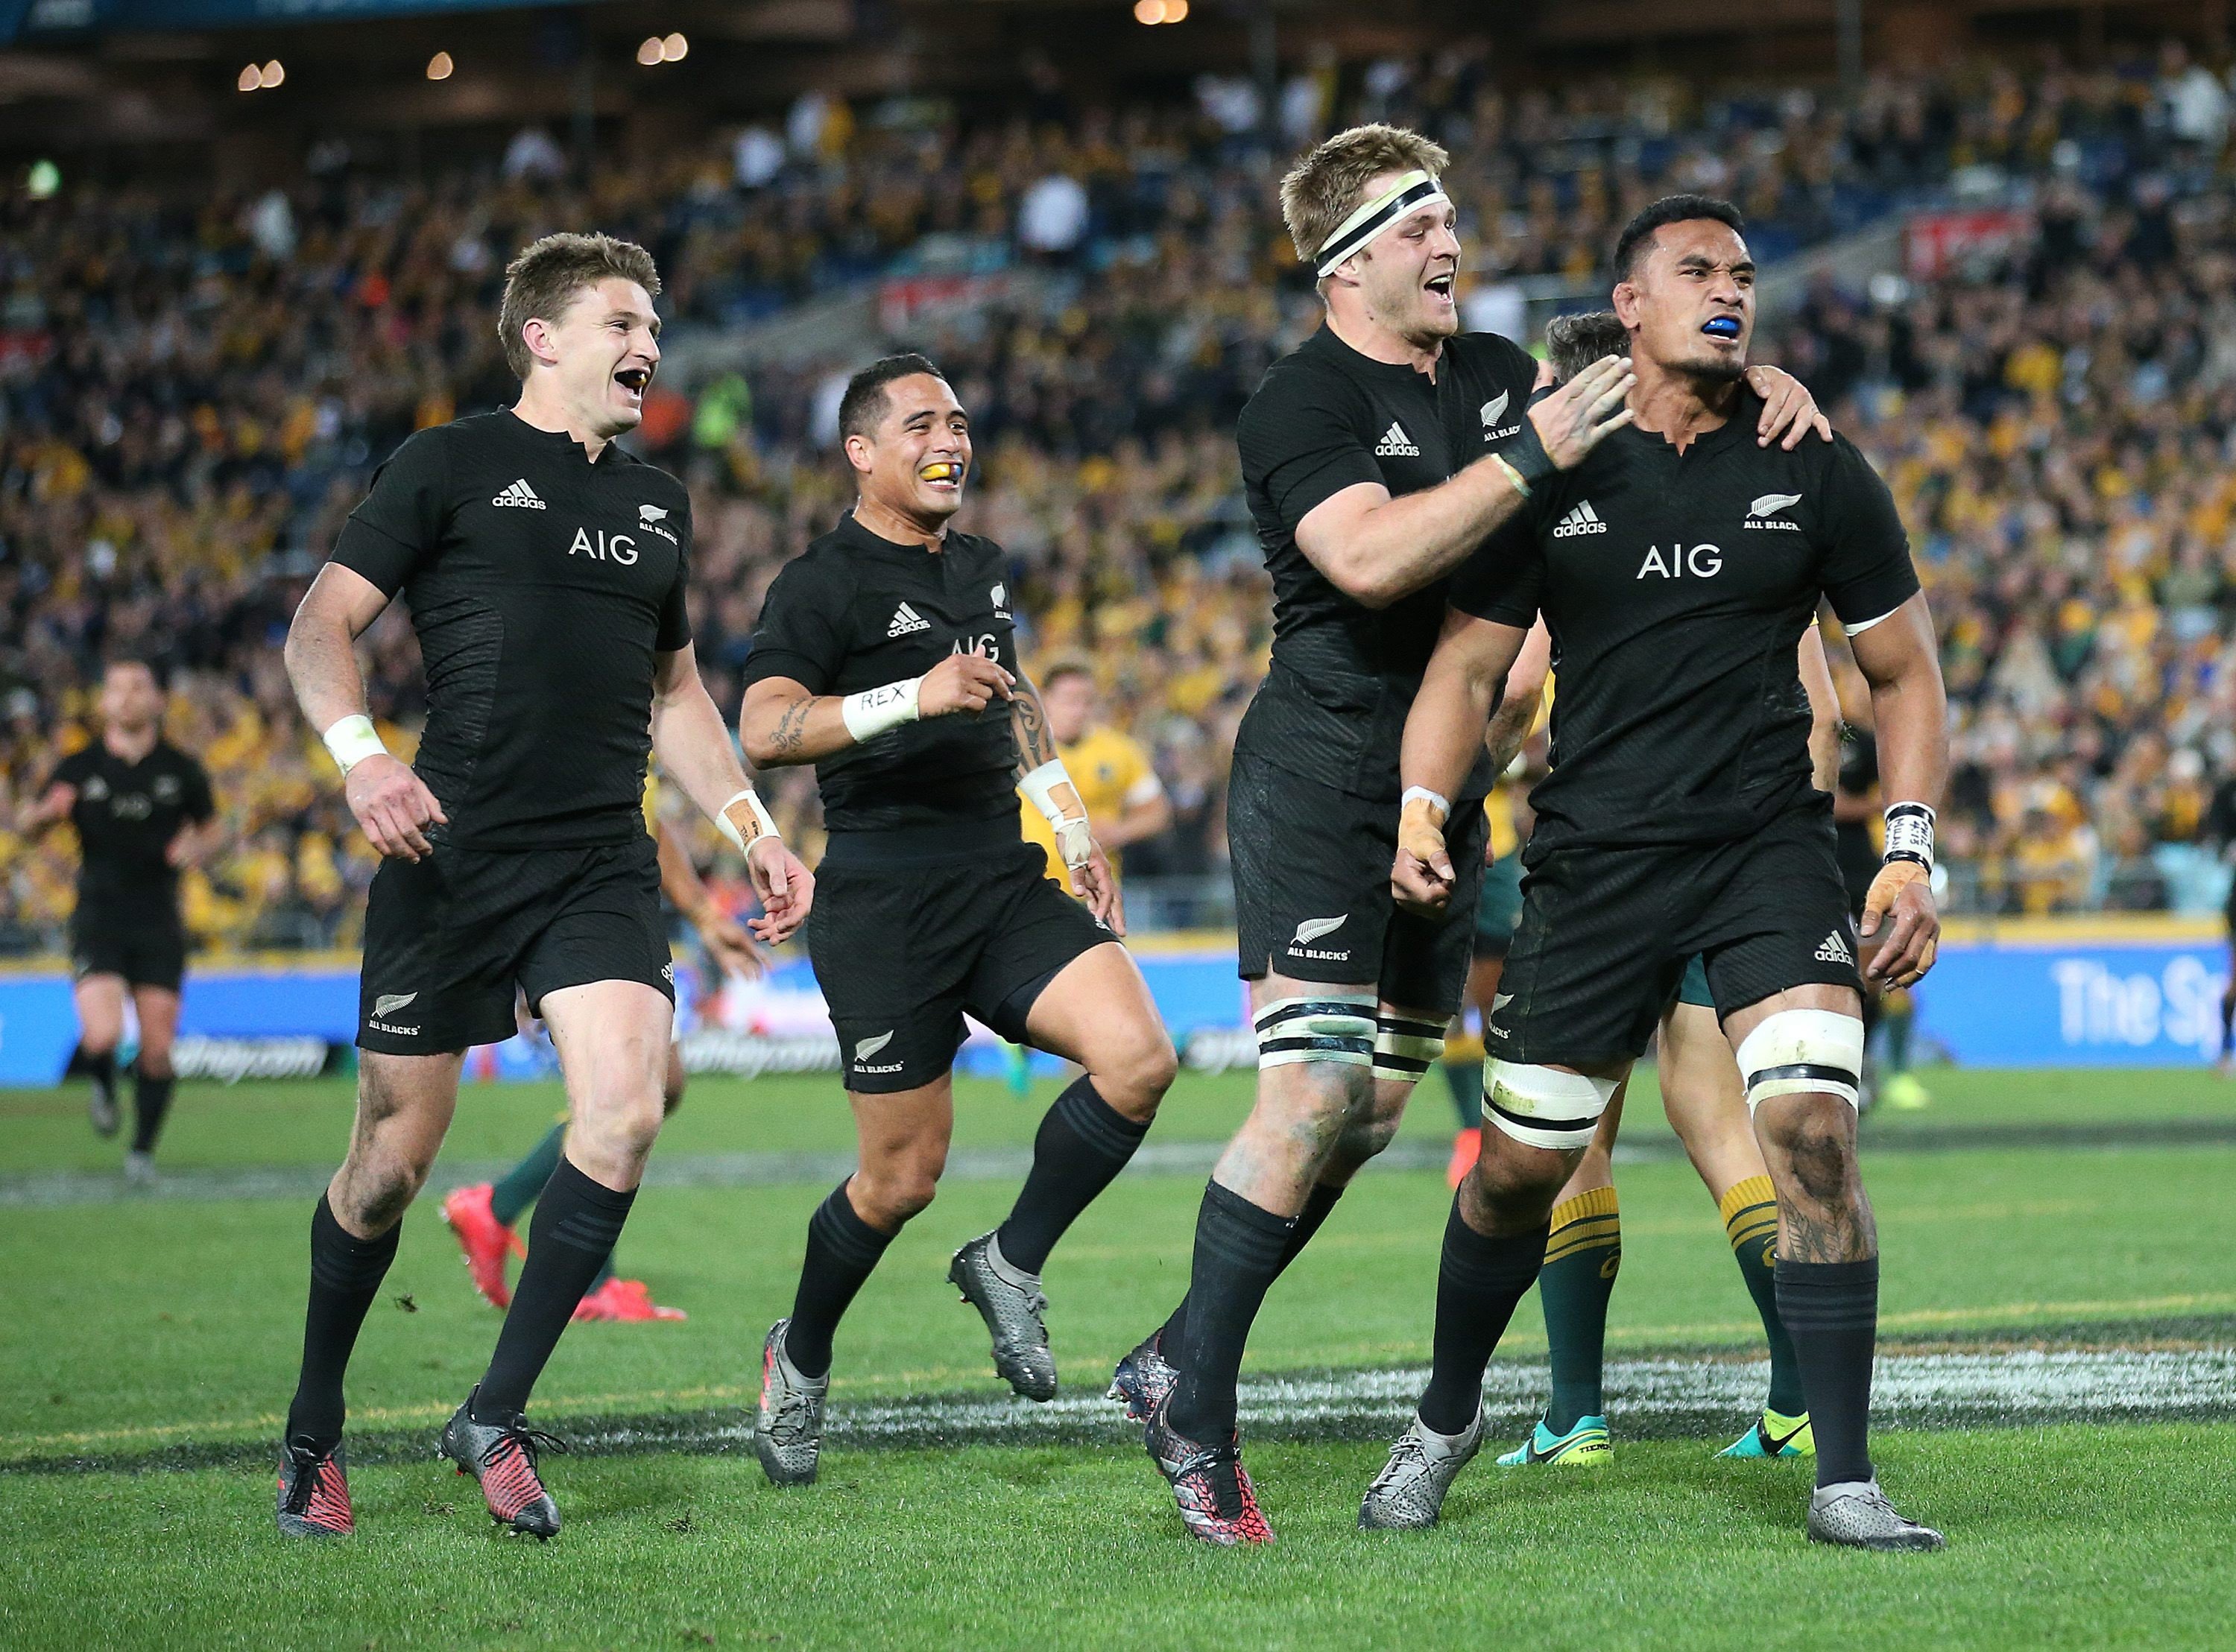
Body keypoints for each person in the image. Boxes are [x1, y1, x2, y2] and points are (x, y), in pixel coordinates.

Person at [1111, 124, 1828, 1548]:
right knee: (1311, 1097)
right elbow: (1371, 557)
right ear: (1345, 261)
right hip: (1323, 774)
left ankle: (1176, 1346)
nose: (1452, 244)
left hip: (1451, 783)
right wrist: (1534, 452)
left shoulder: (1501, 372)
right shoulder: (1297, 404)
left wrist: (1762, 384)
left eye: (1453, 217)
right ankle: (1197, 1395)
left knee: (1373, 1116)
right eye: (1419, 223)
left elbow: (1648, 393)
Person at [1361, 194, 1949, 1551]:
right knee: (1521, 1166)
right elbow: (1464, 671)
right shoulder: (1550, 467)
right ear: (1628, 306)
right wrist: (1420, 807)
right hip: (1593, 864)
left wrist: (1908, 849)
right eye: (1695, 271)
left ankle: (1844, 1479)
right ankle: (1443, 1420)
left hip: (1768, 851)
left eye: (1743, 272)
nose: (1729, 288)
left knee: (1810, 1130)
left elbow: (1903, 672)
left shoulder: (1815, 464)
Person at [271, 232, 812, 1541]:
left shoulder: (657, 502)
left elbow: (673, 692)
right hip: (447, 850)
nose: (648, 350)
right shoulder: (445, 464)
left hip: (596, 859)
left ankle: (494, 1413)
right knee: (387, 1171)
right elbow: (318, 625)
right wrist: (361, 761)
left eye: (657, 329)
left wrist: (750, 828)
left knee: (624, 1112)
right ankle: (311, 1431)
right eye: (624, 324)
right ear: (544, 336)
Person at [737, 353, 1178, 1489]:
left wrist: (1075, 832)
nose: (952, 440)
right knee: (898, 1182)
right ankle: (804, 1355)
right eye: (924, 423)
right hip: (883, 903)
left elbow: (1014, 707)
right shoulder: (819, 581)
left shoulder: (980, 567)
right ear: (863, 452)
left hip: (1000, 878)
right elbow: (766, 727)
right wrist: (908, 695)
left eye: (962, 423)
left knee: (1138, 1058)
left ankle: (1010, 1260)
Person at [1479, 311, 1837, 1469]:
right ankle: (1797, 1396)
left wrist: (1444, 782)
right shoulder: (1759, 491)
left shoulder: (1579, 510)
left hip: (1614, 856)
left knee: (1571, 1129)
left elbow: (1516, 685)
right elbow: (1824, 716)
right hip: (1748, 853)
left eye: (1548, 387)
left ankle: (1574, 1413)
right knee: (1719, 1118)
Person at [440, 788, 765, 1324]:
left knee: (661, 1083)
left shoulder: (634, 733)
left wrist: (704, 914)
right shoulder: (577, 721)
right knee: (615, 1095)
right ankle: (592, 1282)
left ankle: (496, 1208)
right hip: (578, 917)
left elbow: (648, 820)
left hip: (624, 913)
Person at [14, 659, 219, 1183]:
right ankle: (104, 1084)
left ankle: (141, 1154)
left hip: (158, 920)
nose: (127, 697)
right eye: (117, 688)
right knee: (102, 1035)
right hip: (98, 916)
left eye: (138, 687)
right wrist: (45, 814)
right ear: (103, 703)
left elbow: (212, 829)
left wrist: (195, 846)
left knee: (156, 1051)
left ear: (156, 700)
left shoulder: (180, 769)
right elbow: (25, 824)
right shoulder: (79, 767)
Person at [1016, 658, 1171, 884]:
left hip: (1097, 888)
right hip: (1034, 883)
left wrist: (1119, 832)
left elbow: (1157, 812)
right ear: (1045, 700)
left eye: (1087, 701)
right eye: (1069, 700)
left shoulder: (1120, 750)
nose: (1078, 711)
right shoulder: (1022, 750)